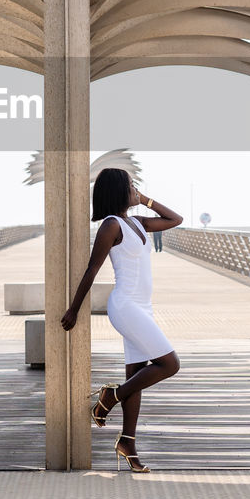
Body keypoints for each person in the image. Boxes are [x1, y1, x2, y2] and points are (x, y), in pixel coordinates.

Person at [61, 168, 183, 472]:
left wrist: (145, 200)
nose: (135, 188)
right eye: (131, 185)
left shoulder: (137, 222)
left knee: (137, 374)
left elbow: (175, 219)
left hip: (144, 306)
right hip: (125, 306)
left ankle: (127, 441)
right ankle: (110, 396)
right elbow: (92, 269)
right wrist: (74, 309)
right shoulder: (111, 226)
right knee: (170, 364)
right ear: (118, 191)